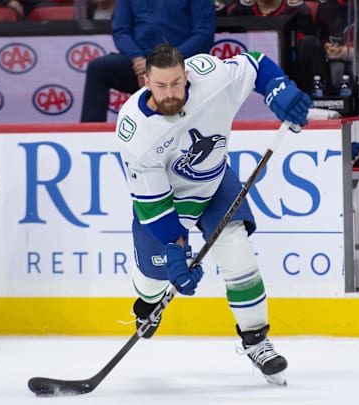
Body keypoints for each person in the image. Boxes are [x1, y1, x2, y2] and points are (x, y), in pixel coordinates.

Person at [115, 43, 311, 385]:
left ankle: (257, 340)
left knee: (239, 256)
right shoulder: (135, 130)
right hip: (170, 202)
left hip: (216, 183)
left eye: (177, 83)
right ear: (146, 81)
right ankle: (147, 304)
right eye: (161, 86)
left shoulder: (212, 76)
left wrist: (279, 90)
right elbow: (155, 206)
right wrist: (176, 251)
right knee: (154, 280)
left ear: (186, 74)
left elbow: (256, 65)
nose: (171, 93)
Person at [79, 0, 215, 122]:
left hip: (181, 62)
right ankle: (89, 135)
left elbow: (204, 34)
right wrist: (136, 58)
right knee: (99, 68)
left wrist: (166, 61)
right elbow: (121, 31)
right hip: (140, 63)